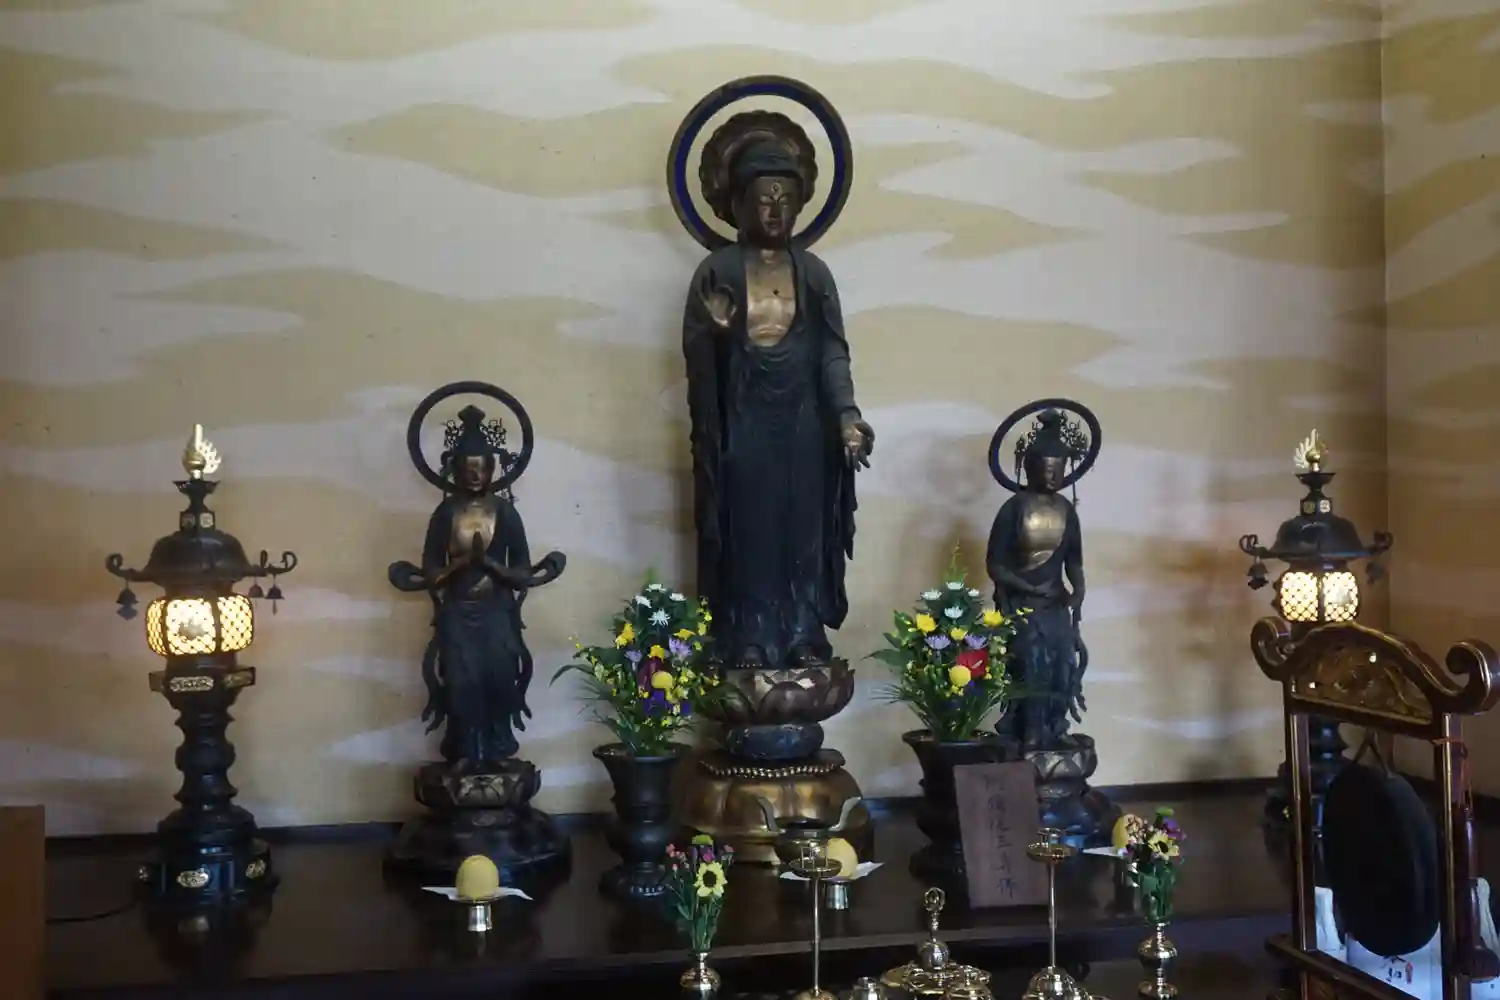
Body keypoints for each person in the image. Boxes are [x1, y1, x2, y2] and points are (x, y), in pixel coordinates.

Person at [682, 123, 873, 670]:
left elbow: (832, 353)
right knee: (751, 528)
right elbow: (698, 358)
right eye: (763, 200)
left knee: (803, 529)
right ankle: (748, 633)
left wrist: (847, 416)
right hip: (743, 419)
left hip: (804, 423)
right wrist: (719, 337)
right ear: (736, 204)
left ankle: (803, 632)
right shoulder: (718, 270)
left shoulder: (813, 273)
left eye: (786, 200)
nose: (774, 211)